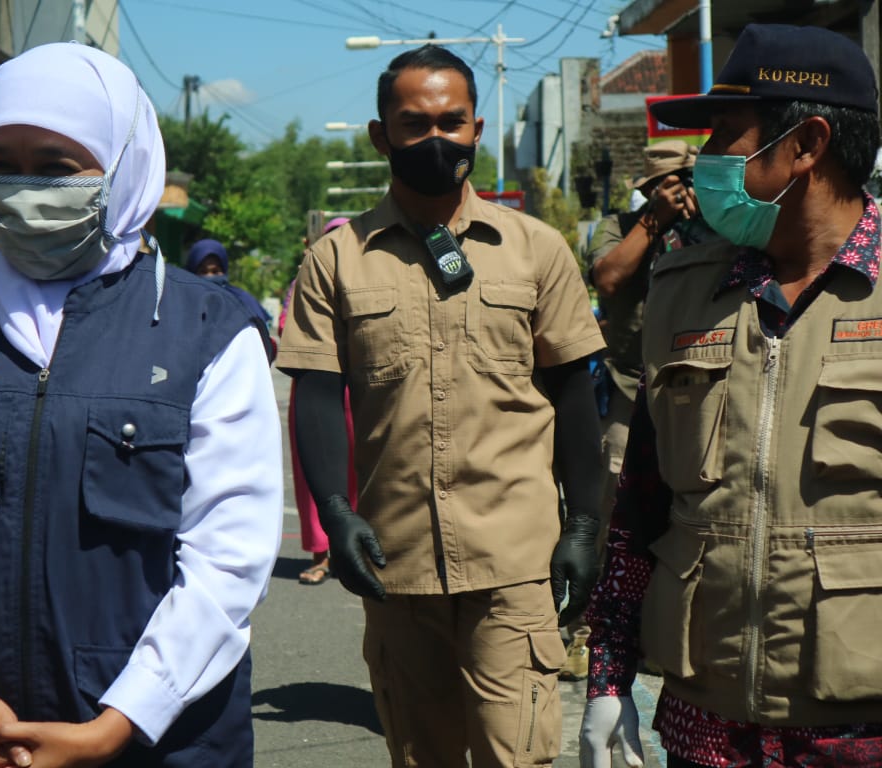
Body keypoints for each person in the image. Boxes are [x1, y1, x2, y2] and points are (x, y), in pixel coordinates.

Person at [0, 43, 281, 767]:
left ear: (123, 164)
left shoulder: (208, 329)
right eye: (1, 162)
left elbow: (229, 560)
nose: (23, 187)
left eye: (57, 167)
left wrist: (118, 722)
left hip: (160, 742)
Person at [277, 44, 606, 766]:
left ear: (477, 129)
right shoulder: (337, 260)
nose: (436, 139)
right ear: (380, 135)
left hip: (516, 562)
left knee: (515, 756)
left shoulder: (536, 250)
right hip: (397, 565)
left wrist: (586, 524)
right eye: (414, 122)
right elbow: (318, 395)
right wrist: (335, 511)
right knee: (421, 756)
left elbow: (575, 397)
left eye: (452, 122)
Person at [580, 23, 882, 768]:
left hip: (860, 732)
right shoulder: (685, 290)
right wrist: (607, 678)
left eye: (725, 135)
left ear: (805, 145)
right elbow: (641, 506)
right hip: (705, 726)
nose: (706, 158)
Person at [561, 140, 711, 681]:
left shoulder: (711, 227)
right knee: (608, 511)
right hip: (629, 387)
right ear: (648, 189)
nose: (683, 192)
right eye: (672, 183)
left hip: (696, 390)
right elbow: (608, 278)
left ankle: (663, 631)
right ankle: (581, 631)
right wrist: (654, 219)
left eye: (689, 182)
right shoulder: (617, 225)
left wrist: (700, 221)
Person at [277, 217, 357, 586]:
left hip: (359, 388)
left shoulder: (367, 276)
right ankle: (321, 554)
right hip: (313, 384)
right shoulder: (301, 282)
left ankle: (354, 549)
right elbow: (284, 326)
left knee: (361, 468)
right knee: (317, 471)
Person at [184, 238, 275, 361]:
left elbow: (262, 344)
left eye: (215, 271)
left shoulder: (240, 300)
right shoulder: (183, 303)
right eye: (203, 272)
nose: (210, 276)